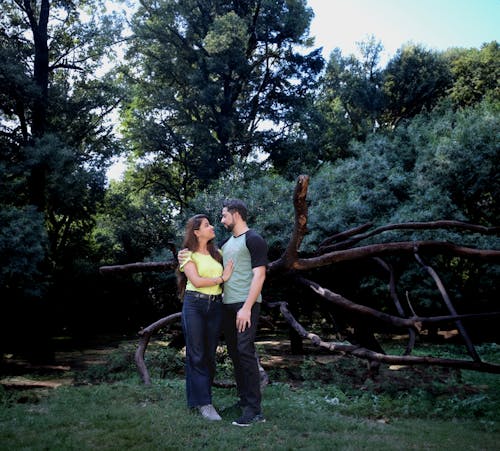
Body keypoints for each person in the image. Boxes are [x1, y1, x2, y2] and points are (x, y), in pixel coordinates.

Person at [177, 214, 234, 421]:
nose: (212, 228)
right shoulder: (186, 255)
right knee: (197, 354)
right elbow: (197, 281)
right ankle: (205, 404)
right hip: (195, 305)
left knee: (209, 356)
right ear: (196, 232)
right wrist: (222, 278)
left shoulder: (217, 253)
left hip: (216, 306)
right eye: (207, 225)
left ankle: (198, 400)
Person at [219, 199, 268, 427]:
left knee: (245, 352)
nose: (222, 220)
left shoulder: (254, 239)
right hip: (227, 306)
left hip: (245, 305)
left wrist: (247, 308)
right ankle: (243, 401)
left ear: (236, 214)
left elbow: (259, 276)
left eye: (224, 216)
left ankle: (255, 410)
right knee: (235, 354)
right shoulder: (227, 243)